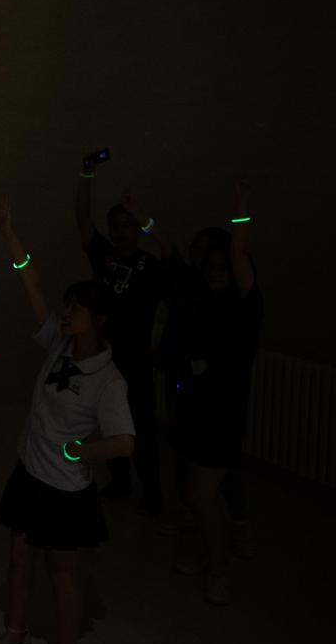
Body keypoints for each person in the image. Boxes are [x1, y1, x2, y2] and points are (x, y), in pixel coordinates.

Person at [0, 203, 135, 644]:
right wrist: (10, 234)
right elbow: (32, 286)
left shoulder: (109, 380)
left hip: (65, 489)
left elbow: (125, 442)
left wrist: (81, 449)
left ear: (98, 318)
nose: (66, 314)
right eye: (67, 307)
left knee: (63, 574)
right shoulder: (59, 343)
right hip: (29, 473)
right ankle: (16, 633)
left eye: (76, 309)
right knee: (19, 559)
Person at [171, 180, 262, 605]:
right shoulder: (207, 304)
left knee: (202, 493)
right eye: (211, 267)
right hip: (200, 410)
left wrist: (241, 206)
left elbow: (239, 251)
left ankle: (219, 566)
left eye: (223, 266)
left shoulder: (245, 306)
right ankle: (214, 554)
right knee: (201, 492)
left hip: (223, 415)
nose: (216, 271)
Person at [76, 157, 167, 515]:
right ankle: (121, 481)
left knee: (141, 426)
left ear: (137, 228)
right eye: (114, 226)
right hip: (105, 355)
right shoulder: (105, 256)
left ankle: (152, 490)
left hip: (136, 357)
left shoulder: (151, 266)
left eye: (126, 225)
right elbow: (83, 220)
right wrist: (86, 174)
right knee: (107, 419)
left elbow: (175, 290)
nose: (119, 232)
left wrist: (163, 347)